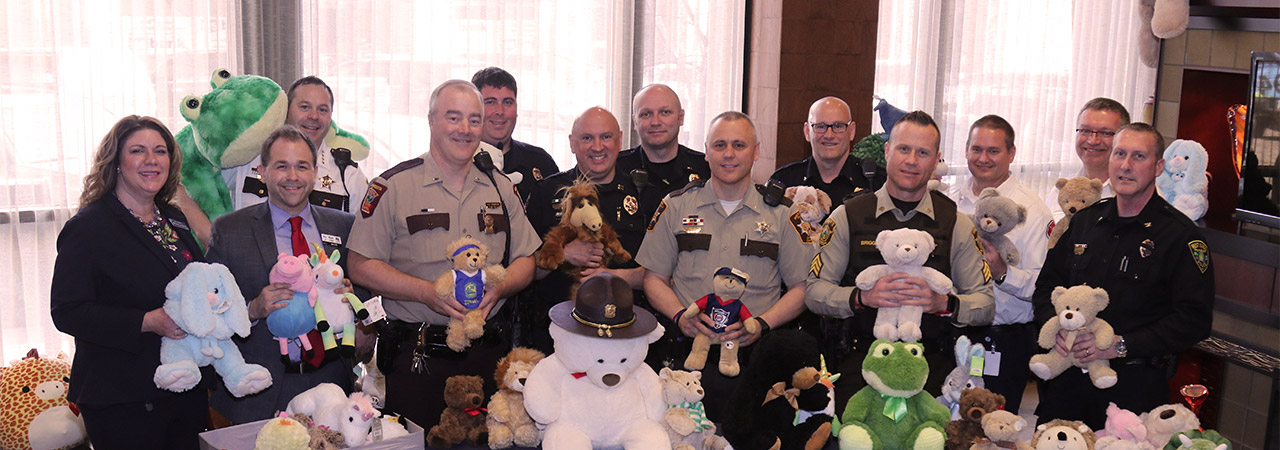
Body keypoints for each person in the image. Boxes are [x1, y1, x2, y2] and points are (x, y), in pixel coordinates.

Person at [346, 80, 539, 427]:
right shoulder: (393, 186)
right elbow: (360, 265)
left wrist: (502, 287)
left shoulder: (500, 187)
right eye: (453, 118)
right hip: (418, 359)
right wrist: (424, 293)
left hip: (487, 356)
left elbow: (528, 259)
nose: (465, 129)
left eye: (474, 120)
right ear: (432, 120)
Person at [805, 110, 995, 412]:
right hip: (859, 364)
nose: (911, 160)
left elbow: (985, 303)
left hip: (932, 371)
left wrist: (943, 303)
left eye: (923, 153)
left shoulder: (955, 223)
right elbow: (814, 292)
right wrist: (861, 297)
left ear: (936, 160)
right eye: (904, 149)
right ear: (887, 151)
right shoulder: (848, 216)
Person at [1033, 123, 1214, 429]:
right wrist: (1057, 330)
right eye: (1120, 154)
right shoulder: (1085, 222)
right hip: (1065, 385)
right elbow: (1046, 289)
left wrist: (1119, 344)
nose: (1126, 166)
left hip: (1133, 390)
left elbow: (1194, 320)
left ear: (1158, 167)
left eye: (1139, 156)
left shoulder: (1180, 236)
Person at [636, 111, 813, 422]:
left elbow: (802, 287)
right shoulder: (676, 206)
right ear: (706, 151)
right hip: (688, 355)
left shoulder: (783, 214)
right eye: (719, 145)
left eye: (739, 145)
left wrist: (763, 323)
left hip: (754, 358)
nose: (729, 154)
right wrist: (680, 316)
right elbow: (653, 279)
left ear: (756, 151)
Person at [50, 115, 207, 449]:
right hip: (122, 395)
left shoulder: (173, 218)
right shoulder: (89, 227)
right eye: (138, 151)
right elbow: (66, 311)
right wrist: (146, 322)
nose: (151, 160)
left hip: (182, 384)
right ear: (116, 163)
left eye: (160, 151)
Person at [204, 125, 361, 424]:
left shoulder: (344, 226)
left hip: (331, 387)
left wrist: (352, 298)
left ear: (315, 172)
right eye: (281, 166)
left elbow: (365, 292)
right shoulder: (229, 230)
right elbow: (206, 310)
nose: (293, 176)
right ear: (262, 172)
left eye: (302, 166)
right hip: (258, 394)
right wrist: (252, 309)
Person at [946, 115, 1053, 414]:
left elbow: (1042, 286)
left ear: (1011, 154)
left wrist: (1003, 273)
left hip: (1003, 342)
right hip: (952, 332)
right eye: (976, 149)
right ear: (966, 150)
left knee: (993, 432)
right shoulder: (950, 203)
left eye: (993, 151)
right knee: (947, 429)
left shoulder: (1031, 211)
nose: (983, 158)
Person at [523, 107, 649, 353]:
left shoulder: (642, 193)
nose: (597, 146)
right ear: (572, 143)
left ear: (620, 139)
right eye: (587, 138)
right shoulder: (546, 192)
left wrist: (613, 276)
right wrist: (565, 254)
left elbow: (659, 272)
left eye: (606, 137)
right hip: (558, 335)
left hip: (628, 336)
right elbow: (526, 270)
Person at [770, 96, 885, 204]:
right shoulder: (784, 181)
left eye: (838, 126)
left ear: (852, 131)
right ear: (807, 132)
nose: (829, 135)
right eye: (820, 126)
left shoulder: (877, 183)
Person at [618, 83, 711, 217]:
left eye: (665, 112)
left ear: (681, 117)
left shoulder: (706, 170)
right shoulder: (617, 169)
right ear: (635, 121)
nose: (655, 122)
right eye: (646, 114)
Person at [471, 67, 559, 203]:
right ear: (475, 109)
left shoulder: (541, 162)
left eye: (507, 102)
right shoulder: (460, 164)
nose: (500, 111)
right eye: (490, 102)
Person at [1045, 98, 1128, 220]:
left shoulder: (1137, 195)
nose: (1093, 141)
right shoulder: (1061, 190)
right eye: (1085, 131)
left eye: (1105, 133)